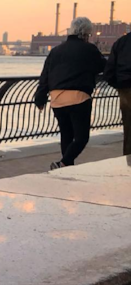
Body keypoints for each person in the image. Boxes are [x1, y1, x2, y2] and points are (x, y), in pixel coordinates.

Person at [34, 16, 105, 170]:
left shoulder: (56, 51)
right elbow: (103, 66)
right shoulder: (89, 49)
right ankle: (64, 163)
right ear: (87, 33)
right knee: (81, 137)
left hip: (57, 98)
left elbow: (45, 75)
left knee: (66, 134)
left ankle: (66, 168)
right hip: (79, 97)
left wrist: (40, 98)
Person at [103, 26, 131, 155]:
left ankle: (128, 162)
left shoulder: (120, 43)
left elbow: (109, 72)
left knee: (128, 129)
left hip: (125, 90)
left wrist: (119, 86)